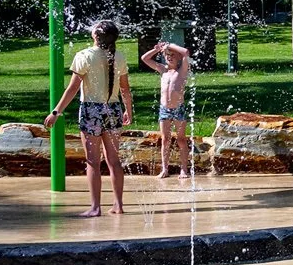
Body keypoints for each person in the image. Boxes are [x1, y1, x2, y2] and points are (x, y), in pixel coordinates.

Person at [45, 19, 134, 217]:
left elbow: (72, 88)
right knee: (114, 161)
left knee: (93, 161)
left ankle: (95, 208)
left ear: (95, 35)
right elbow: (125, 89)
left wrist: (56, 112)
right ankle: (118, 205)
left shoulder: (84, 55)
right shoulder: (119, 56)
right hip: (113, 110)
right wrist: (128, 110)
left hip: (91, 111)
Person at [140, 38, 193, 179]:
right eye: (167, 55)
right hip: (164, 109)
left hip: (178, 108)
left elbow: (186, 52)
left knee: (181, 139)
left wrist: (170, 45)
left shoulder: (182, 71)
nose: (170, 57)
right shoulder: (162, 70)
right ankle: (164, 169)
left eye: (173, 55)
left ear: (179, 58)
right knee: (165, 139)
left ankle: (184, 170)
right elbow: (144, 58)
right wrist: (156, 49)